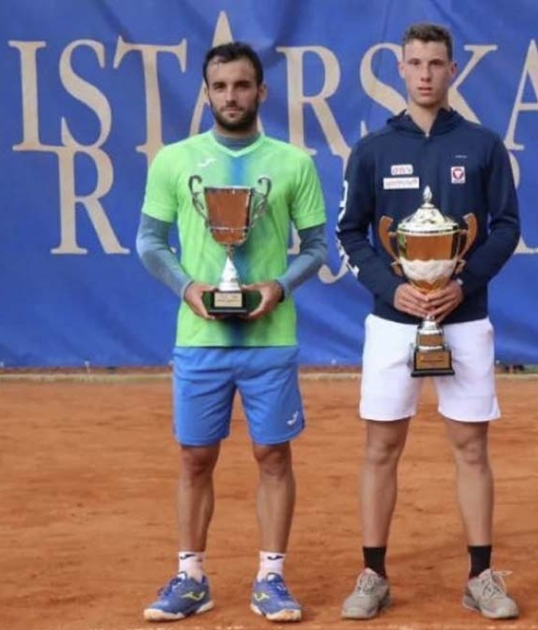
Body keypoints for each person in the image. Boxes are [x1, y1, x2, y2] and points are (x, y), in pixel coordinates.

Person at [136, 41, 327, 623]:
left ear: (261, 91)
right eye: (220, 87)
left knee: (272, 454)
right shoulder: (174, 160)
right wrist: (190, 290)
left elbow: (317, 248)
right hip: (200, 342)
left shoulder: (294, 162)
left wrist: (277, 288)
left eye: (242, 85)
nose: (231, 96)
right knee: (195, 457)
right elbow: (149, 242)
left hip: (271, 339)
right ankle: (191, 575)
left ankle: (271, 575)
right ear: (207, 93)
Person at [335, 22, 521, 621]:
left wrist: (462, 284)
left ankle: (481, 576)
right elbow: (349, 232)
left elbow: (507, 226)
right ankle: (372, 573)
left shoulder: (483, 145)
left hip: (463, 318)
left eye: (436, 64)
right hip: (393, 321)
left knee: (471, 446)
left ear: (453, 70)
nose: (424, 74)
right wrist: (394, 289)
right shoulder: (372, 149)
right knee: (381, 445)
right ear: (400, 70)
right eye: (414, 63)